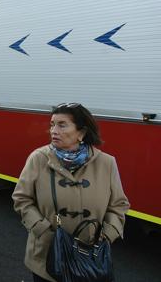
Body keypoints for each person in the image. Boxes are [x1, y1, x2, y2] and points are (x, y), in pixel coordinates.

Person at [12, 103, 130, 282]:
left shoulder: (107, 163)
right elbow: (22, 199)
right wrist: (42, 230)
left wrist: (107, 235)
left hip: (90, 258)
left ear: (81, 133)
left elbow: (119, 205)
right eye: (52, 124)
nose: (53, 130)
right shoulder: (38, 158)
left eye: (62, 125)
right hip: (47, 255)